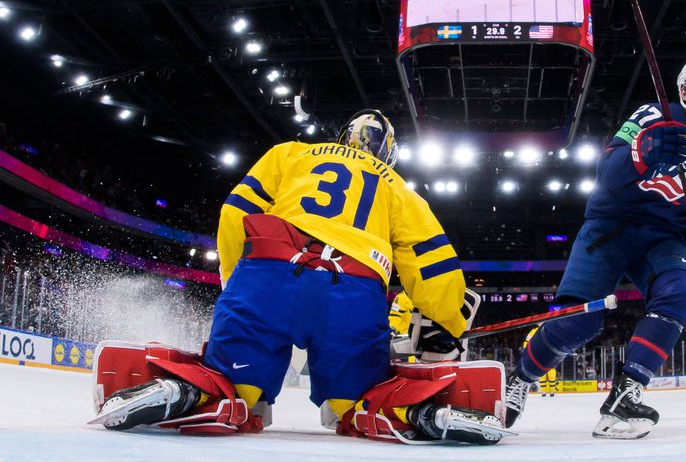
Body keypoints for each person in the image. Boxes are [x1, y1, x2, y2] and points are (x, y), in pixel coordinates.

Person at [88, 110, 508, 445]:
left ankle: (189, 393)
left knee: (237, 389)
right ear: (390, 153)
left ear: (342, 136)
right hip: (351, 291)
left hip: (268, 274)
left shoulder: (289, 153)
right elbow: (430, 262)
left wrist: (237, 282)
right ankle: (420, 412)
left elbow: (235, 212)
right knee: (354, 402)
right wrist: (448, 324)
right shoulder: (396, 186)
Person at [503, 55, 686, 439]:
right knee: (578, 320)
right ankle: (520, 380)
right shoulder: (652, 116)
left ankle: (625, 395)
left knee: (683, 290)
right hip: (610, 227)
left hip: (663, 237)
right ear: (685, 90)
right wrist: (643, 151)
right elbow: (606, 174)